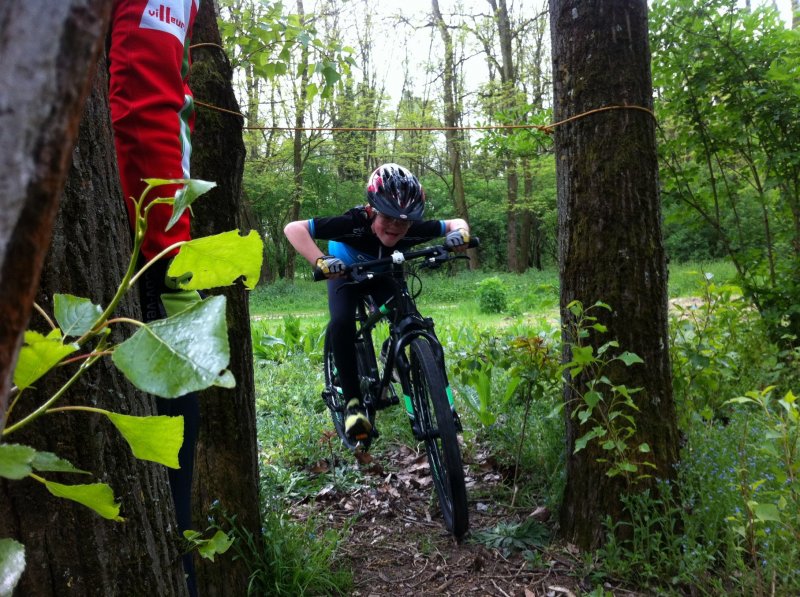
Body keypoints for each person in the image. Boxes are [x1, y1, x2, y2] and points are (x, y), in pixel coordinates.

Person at [108, 1, 200, 595]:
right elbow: (142, 88)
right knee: (168, 473)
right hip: (151, 260)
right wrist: (172, 258)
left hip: (149, 242)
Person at [284, 163, 470, 441]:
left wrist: (461, 234)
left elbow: (455, 223)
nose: (396, 226)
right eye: (389, 217)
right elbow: (294, 228)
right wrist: (322, 261)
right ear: (372, 210)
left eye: (404, 221)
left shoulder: (413, 228)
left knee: (410, 318)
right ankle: (353, 406)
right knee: (342, 324)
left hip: (385, 274)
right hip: (345, 275)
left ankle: (393, 351)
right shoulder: (353, 224)